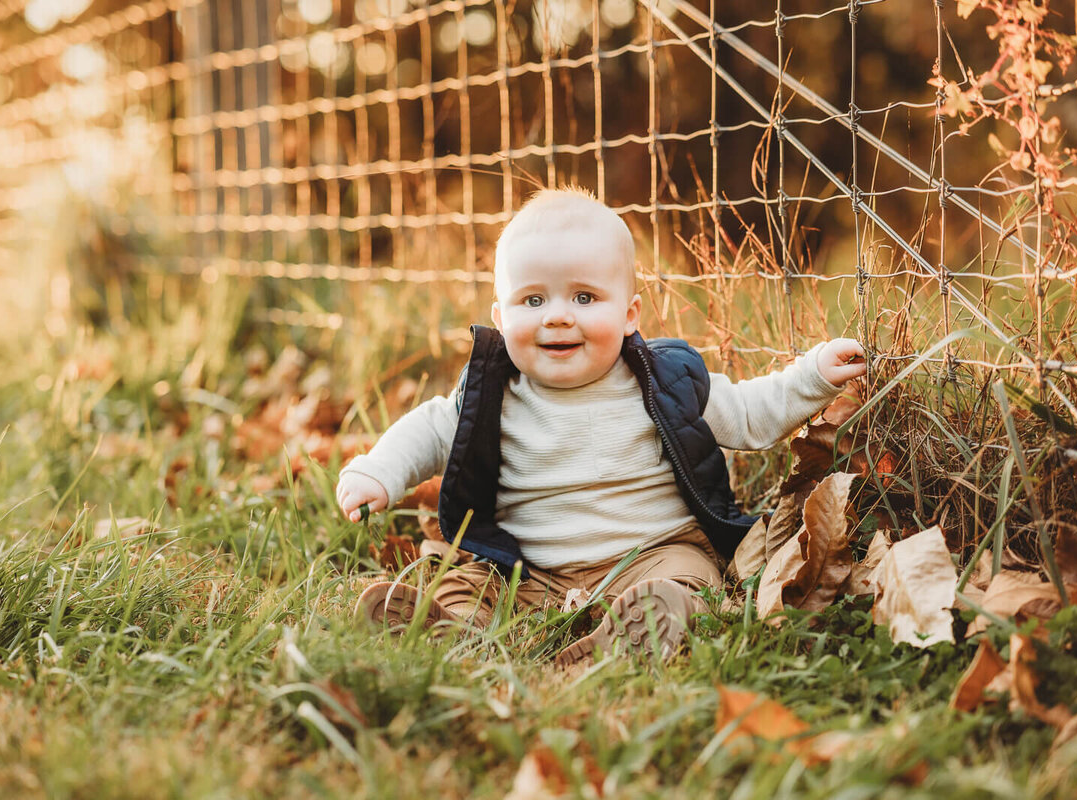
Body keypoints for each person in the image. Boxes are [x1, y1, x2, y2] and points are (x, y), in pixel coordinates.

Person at [335, 187, 866, 666]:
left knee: (689, 580)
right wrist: (378, 472)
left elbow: (750, 413)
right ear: (500, 317)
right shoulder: (492, 395)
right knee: (469, 582)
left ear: (630, 313)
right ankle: (450, 625)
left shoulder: (665, 382)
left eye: (584, 298)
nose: (558, 316)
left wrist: (813, 377)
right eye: (533, 299)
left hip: (652, 552)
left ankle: (637, 625)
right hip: (526, 570)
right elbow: (427, 431)